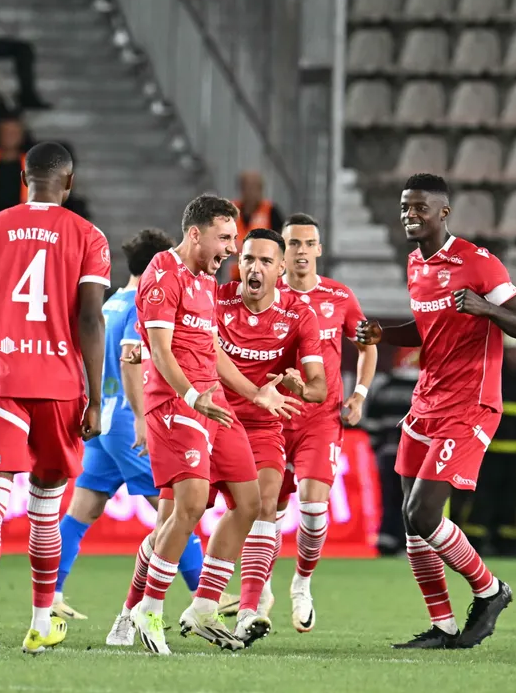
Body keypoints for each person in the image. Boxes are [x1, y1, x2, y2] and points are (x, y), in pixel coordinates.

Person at [356, 173, 516, 649]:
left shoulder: (477, 263)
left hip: (470, 404)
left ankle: (491, 590)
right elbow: (427, 330)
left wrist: (486, 308)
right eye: (405, 207)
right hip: (427, 400)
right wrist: (383, 334)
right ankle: (442, 626)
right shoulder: (416, 265)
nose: (410, 215)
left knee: (424, 514)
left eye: (420, 207)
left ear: (443, 212)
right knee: (410, 518)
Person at [0, 141, 110, 658]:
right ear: (69, 183)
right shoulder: (88, 236)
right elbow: (90, 319)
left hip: (1, 384)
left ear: (24, 179)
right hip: (60, 389)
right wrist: (94, 399)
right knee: (44, 513)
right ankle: (41, 623)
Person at [128, 195, 299, 655]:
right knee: (189, 506)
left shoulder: (206, 279)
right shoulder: (162, 273)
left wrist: (255, 392)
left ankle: (204, 606)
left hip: (213, 403)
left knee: (250, 501)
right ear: (195, 233)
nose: (231, 249)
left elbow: (212, 350)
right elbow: (160, 350)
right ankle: (148, 609)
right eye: (224, 238)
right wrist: (192, 397)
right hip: (175, 403)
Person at [51, 229, 233, 627]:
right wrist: (140, 418)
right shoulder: (144, 303)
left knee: (84, 508)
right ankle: (204, 592)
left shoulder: (112, 302)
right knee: (177, 508)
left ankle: (51, 592)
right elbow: (132, 362)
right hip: (127, 419)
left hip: (102, 419)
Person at [255, 213, 377, 632]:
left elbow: (367, 346)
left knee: (312, 508)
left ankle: (302, 584)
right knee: (267, 509)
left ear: (320, 249)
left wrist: (359, 394)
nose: (301, 251)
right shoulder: (266, 294)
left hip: (321, 418)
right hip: (273, 416)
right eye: (293, 243)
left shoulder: (339, 296)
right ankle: (261, 587)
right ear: (282, 250)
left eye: (309, 243)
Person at [212, 228, 328, 644]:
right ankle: (135, 610)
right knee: (176, 515)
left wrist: (300, 386)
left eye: (265, 261)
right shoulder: (217, 300)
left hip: (262, 426)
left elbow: (319, 388)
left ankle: (249, 611)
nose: (254, 268)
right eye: (248, 259)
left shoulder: (299, 315)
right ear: (238, 262)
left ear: (281, 269)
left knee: (264, 503)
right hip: (211, 419)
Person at [453, 335, 516, 555]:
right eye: (511, 351)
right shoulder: (491, 380)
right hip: (488, 451)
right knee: (480, 498)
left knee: (515, 500)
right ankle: (473, 540)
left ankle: (509, 543)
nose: (515, 356)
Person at [364, 349, 420, 556]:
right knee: (413, 499)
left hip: (388, 452)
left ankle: (387, 540)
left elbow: (370, 424)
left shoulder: (383, 386)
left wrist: (378, 447)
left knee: (389, 498)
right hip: (416, 455)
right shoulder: (426, 387)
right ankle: (410, 542)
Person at [228, 171, 284, 281]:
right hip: (235, 276)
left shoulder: (271, 211)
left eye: (255, 187)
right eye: (247, 187)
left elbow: (282, 244)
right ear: (241, 189)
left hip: (262, 276)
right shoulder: (230, 210)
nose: (251, 192)